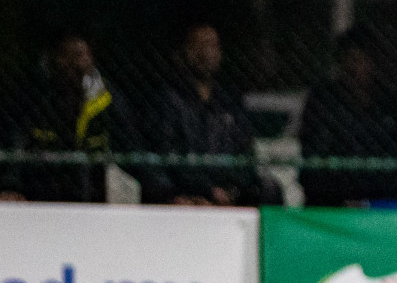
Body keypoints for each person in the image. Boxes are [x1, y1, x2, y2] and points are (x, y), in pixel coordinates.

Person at [0, 31, 146, 203]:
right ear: (52, 59)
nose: (72, 63)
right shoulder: (33, 98)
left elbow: (130, 148)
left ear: (91, 59)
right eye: (64, 56)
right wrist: (10, 187)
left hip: (90, 195)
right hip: (40, 196)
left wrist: (165, 193)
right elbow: (15, 145)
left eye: (79, 55)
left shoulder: (106, 98)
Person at [146, 23, 264, 206]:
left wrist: (230, 191)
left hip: (226, 190)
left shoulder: (230, 100)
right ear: (185, 52)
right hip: (186, 189)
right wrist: (204, 190)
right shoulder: (170, 99)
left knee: (269, 188)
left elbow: (246, 154)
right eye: (199, 45)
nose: (207, 52)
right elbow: (167, 153)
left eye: (213, 45)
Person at [298, 29, 397, 207]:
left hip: (378, 190)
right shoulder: (323, 97)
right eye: (348, 59)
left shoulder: (386, 100)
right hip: (331, 190)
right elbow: (313, 146)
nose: (353, 68)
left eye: (360, 60)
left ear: (372, 64)